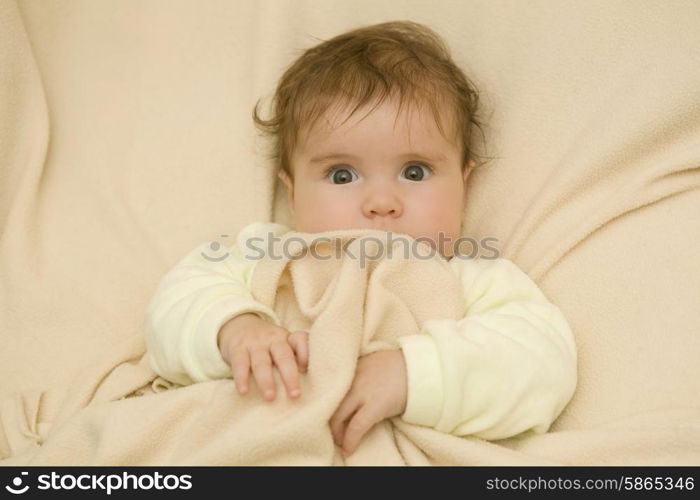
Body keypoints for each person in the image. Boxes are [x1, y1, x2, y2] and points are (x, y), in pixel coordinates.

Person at [143, 20, 577, 457]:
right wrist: (234, 329)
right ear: (292, 193)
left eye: (415, 172)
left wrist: (414, 374)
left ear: (464, 183)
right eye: (342, 175)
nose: (381, 202)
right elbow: (177, 299)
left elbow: (542, 361)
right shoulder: (268, 255)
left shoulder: (472, 276)